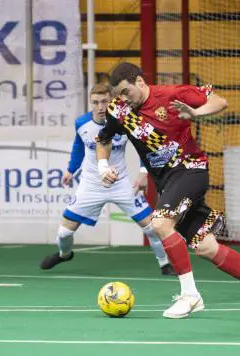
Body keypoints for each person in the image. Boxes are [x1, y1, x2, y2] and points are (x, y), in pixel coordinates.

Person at [95, 63, 240, 319]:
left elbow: (219, 101)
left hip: (190, 169)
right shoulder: (119, 110)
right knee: (206, 247)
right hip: (168, 183)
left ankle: (190, 296)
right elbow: (103, 139)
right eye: (118, 94)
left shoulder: (173, 94)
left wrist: (196, 113)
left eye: (126, 92)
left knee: (160, 224)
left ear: (140, 82)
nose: (123, 99)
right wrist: (102, 166)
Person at [39, 83, 175, 275]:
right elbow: (79, 146)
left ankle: (165, 264)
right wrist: (71, 169)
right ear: (90, 103)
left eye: (104, 101)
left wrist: (144, 172)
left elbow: (145, 147)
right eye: (95, 102)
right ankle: (64, 254)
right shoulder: (82, 123)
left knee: (152, 228)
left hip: (121, 185)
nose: (100, 107)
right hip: (91, 186)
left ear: (112, 101)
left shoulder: (126, 120)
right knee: (64, 233)